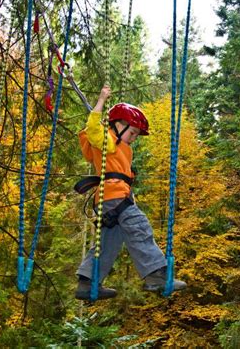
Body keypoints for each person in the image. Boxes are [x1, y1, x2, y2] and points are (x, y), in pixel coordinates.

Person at [74, 85, 186, 300]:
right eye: (132, 132)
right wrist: (101, 100)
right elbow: (93, 130)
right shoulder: (108, 141)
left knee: (108, 242)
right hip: (113, 197)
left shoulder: (119, 146)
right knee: (139, 228)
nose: (134, 137)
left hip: (113, 199)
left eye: (136, 134)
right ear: (117, 125)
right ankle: (156, 274)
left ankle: (88, 283)